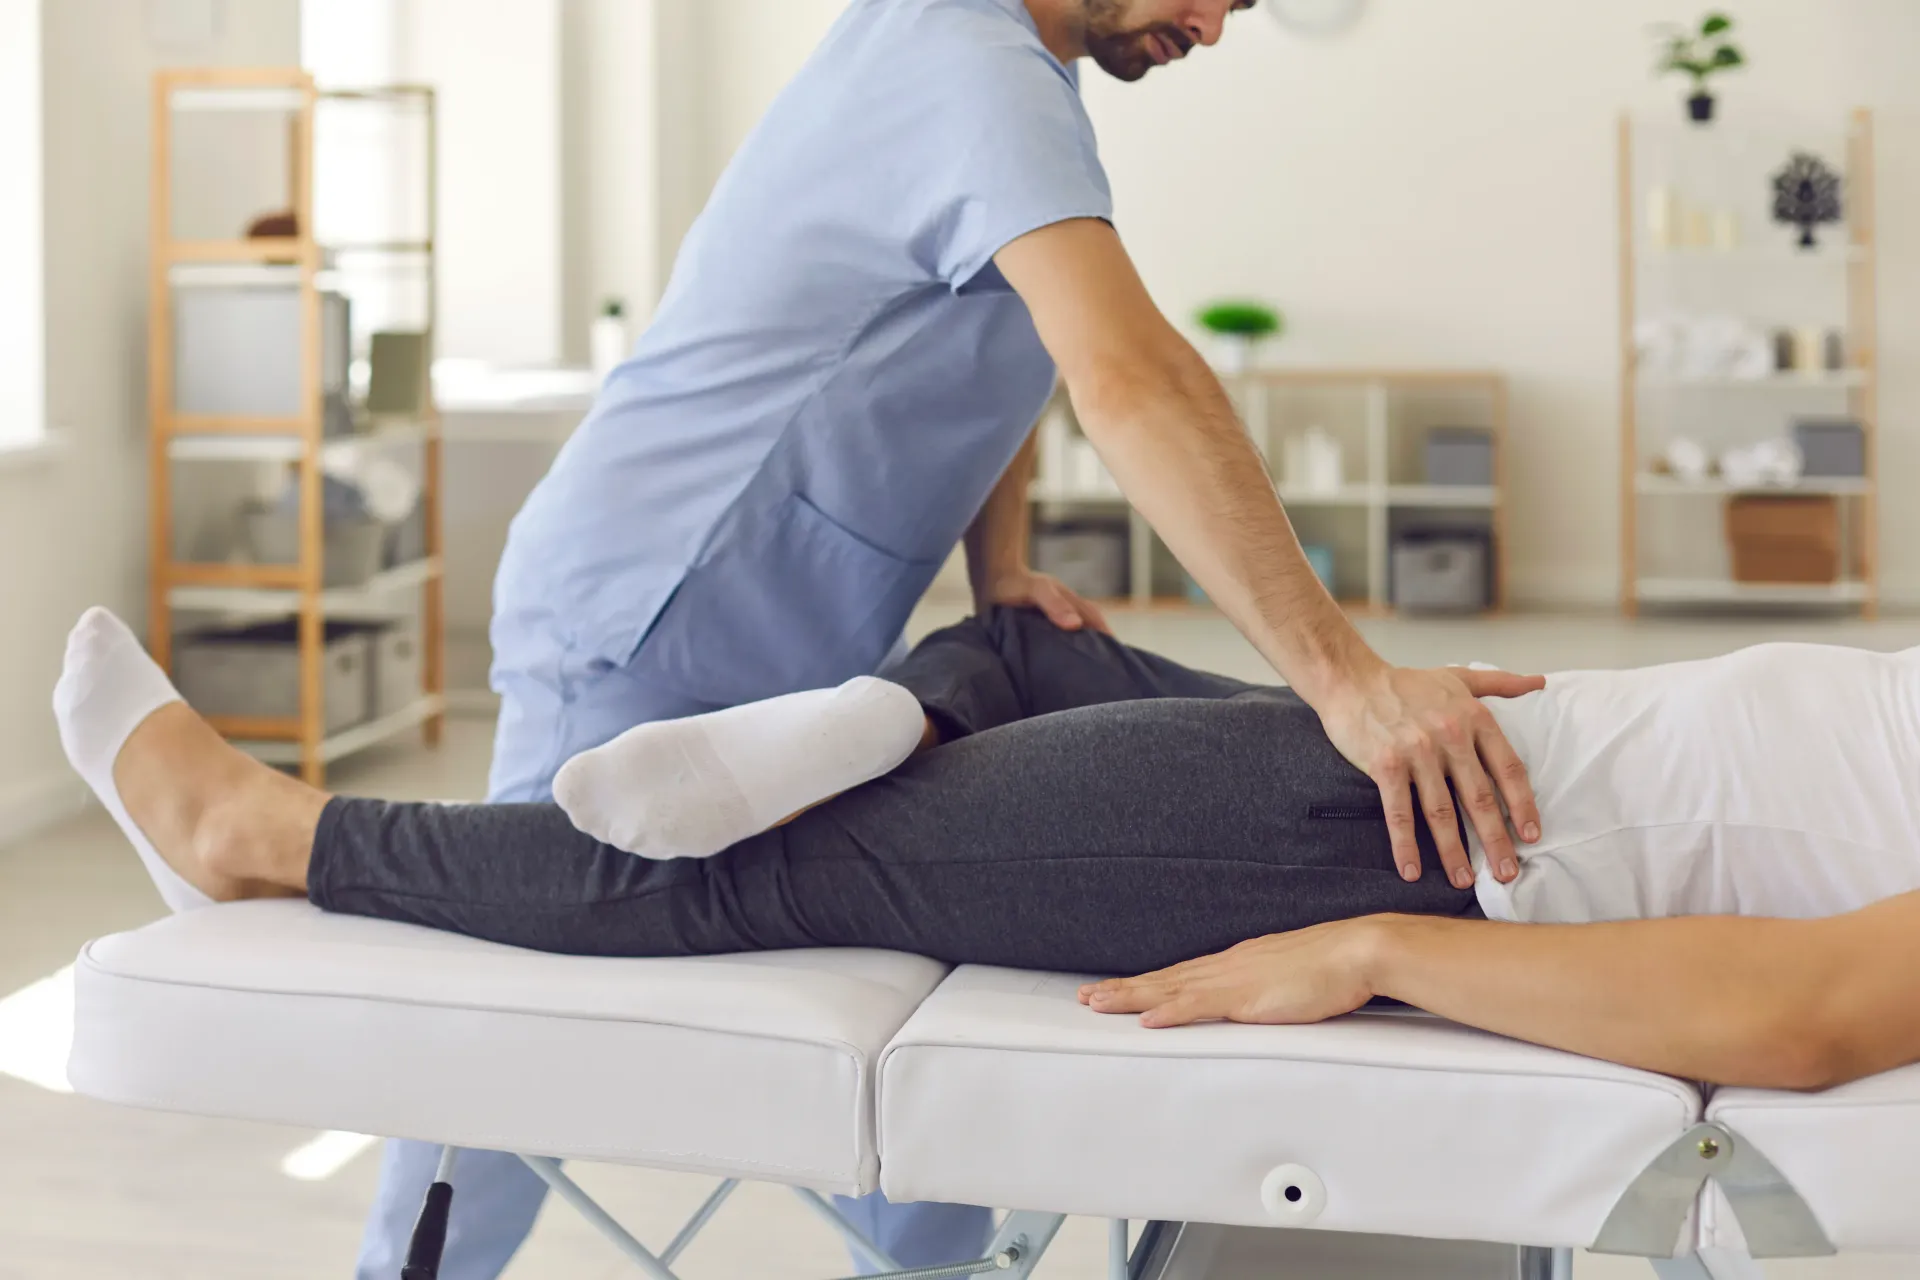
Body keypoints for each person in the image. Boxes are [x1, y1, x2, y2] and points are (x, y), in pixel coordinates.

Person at [443, 0, 1549, 1271]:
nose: (1210, 26)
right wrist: (1346, 681)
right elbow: (1128, 374)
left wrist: (999, 562)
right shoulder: (960, 60)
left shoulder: (1027, 82)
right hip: (642, 604)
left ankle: (927, 1261)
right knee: (511, 1010)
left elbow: (996, 337)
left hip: (801, 637)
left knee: (892, 982)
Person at [58, 605, 1920, 1094]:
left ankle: (266, 836)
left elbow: (1818, 1016)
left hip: (1418, 852)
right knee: (1040, 640)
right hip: (1468, 752)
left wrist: (1379, 949)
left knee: (792, 865)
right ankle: (914, 702)